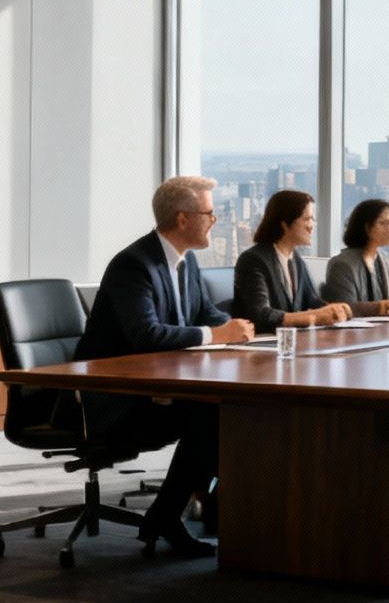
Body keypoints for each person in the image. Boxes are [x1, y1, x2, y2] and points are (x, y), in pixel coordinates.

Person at [76, 176, 256, 557]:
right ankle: (175, 517)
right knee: (211, 416)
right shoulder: (134, 265)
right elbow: (147, 335)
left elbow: (205, 315)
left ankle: (180, 515)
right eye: (209, 213)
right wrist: (217, 334)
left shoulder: (185, 262)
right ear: (182, 218)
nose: (214, 221)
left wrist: (240, 330)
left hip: (158, 388)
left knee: (222, 411)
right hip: (114, 398)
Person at [231, 190, 353, 333]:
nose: (311, 226)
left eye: (312, 219)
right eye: (306, 219)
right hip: (262, 345)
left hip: (293, 342)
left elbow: (311, 301)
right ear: (285, 224)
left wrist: (334, 309)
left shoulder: (296, 260)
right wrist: (313, 316)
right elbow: (261, 315)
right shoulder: (253, 260)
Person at [321, 198, 389, 314]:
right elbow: (345, 309)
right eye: (383, 223)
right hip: (354, 332)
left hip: (382, 330)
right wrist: (387, 306)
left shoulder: (386, 260)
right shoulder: (342, 264)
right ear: (367, 228)